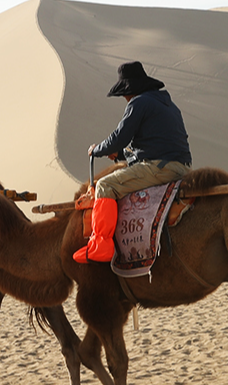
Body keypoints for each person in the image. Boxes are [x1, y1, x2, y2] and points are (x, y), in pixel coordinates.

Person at [74, 61, 193, 264]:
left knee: (105, 185)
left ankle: (101, 246)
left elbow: (119, 137)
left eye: (124, 94)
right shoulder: (168, 105)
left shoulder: (139, 103)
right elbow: (152, 144)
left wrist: (98, 150)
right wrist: (120, 155)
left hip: (159, 167)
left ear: (131, 90)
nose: (125, 98)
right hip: (180, 167)